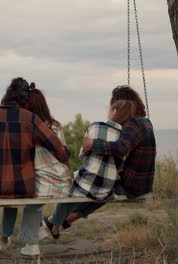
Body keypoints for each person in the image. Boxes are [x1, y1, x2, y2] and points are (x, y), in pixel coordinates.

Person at [0, 77, 70, 256]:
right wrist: (65, 155)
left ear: (7, 95)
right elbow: (59, 149)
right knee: (11, 187)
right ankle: (4, 238)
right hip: (23, 188)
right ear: (24, 100)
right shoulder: (32, 119)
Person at [44, 85, 156, 238]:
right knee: (101, 182)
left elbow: (121, 148)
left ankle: (55, 221)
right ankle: (63, 222)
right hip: (143, 184)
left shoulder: (133, 125)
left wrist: (94, 144)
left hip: (131, 186)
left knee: (93, 183)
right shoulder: (144, 122)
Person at [26, 85, 72, 198]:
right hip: (63, 183)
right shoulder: (55, 126)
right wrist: (70, 176)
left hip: (40, 186)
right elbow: (64, 156)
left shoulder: (26, 130)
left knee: (32, 208)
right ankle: (56, 217)